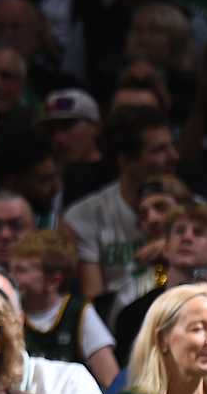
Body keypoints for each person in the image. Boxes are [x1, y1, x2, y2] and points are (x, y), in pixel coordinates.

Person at [62, 106, 179, 315]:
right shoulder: (85, 216)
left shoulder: (194, 208)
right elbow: (95, 304)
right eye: (159, 150)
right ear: (125, 160)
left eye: (172, 147)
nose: (174, 156)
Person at [111, 201, 207, 365]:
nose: (187, 238)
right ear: (166, 248)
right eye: (179, 231)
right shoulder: (134, 314)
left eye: (199, 232)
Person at [9, 230, 118, 388]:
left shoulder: (79, 312)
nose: (11, 277)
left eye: (21, 270)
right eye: (11, 269)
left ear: (54, 280)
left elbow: (111, 381)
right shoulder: (10, 311)